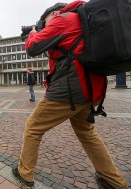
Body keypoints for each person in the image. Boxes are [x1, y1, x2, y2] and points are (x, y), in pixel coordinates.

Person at [12, 1, 128, 189]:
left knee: (33, 127)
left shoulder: (63, 19)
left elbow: (32, 47)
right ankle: (114, 181)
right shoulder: (82, 22)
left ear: (56, 13)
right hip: (93, 89)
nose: (43, 23)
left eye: (45, 19)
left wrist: (34, 32)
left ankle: (24, 173)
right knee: (87, 133)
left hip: (70, 91)